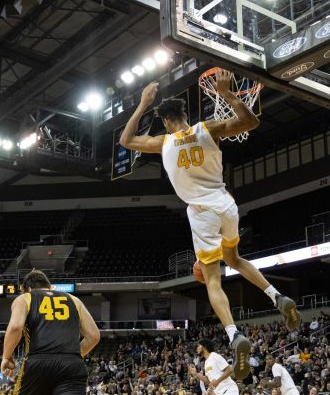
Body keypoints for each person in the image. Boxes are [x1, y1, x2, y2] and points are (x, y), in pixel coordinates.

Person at [120, 70, 301, 379]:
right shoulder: (208, 129)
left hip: (201, 212)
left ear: (165, 121)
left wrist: (142, 104)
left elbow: (126, 140)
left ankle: (234, 335)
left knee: (213, 280)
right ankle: (275, 295)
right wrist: (228, 95)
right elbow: (251, 122)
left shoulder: (163, 142)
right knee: (236, 259)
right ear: (186, 115)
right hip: (226, 204)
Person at [1, 270, 100, 395]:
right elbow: (94, 336)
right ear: (50, 287)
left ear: (28, 289)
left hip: (38, 363)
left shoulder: (25, 298)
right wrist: (73, 355)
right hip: (72, 365)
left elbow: (15, 327)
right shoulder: (74, 300)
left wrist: (6, 357)